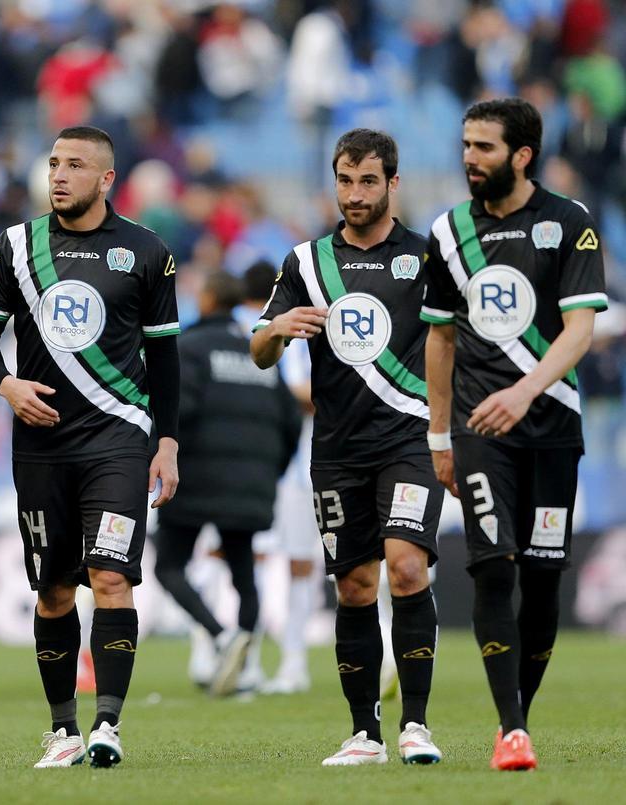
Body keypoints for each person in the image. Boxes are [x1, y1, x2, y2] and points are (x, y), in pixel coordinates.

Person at [0, 125, 181, 769]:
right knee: (55, 591)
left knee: (111, 578)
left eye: (75, 165)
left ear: (106, 178)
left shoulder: (145, 252)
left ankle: (107, 723)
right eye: (54, 163)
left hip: (118, 439)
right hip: (40, 447)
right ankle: (61, 729)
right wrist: (6, 385)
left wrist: (166, 442)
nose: (58, 175)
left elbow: (166, 361)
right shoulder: (15, 247)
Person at [421, 98, 608, 772]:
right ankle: (511, 729)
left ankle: (519, 713)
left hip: (552, 426)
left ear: (522, 155)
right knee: (492, 564)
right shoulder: (447, 232)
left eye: (485, 148)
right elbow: (440, 338)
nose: (470, 158)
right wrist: (439, 434)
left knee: (544, 575)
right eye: (466, 145)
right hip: (478, 432)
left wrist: (526, 390)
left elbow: (581, 328)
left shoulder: (568, 224)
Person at [251, 128, 443, 766]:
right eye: (344, 180)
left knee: (406, 566)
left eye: (367, 181)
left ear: (393, 183)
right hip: (336, 449)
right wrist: (277, 328)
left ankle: (416, 725)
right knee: (356, 586)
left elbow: (458, 344)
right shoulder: (306, 263)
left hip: (410, 439)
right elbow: (259, 352)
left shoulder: (425, 259)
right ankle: (366, 734)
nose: (354, 194)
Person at [153, 271, 301, 697]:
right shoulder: (260, 353)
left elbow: (178, 413)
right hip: (252, 482)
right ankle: (248, 662)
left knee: (169, 565)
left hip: (196, 480)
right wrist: (267, 472)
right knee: (243, 572)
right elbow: (291, 422)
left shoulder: (190, 348)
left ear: (207, 300)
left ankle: (220, 637)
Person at [235, 261, 320, 697]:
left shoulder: (302, 333)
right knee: (255, 560)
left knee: (297, 563)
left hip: (298, 467)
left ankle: (292, 661)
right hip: (267, 464)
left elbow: (299, 392)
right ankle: (249, 661)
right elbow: (293, 391)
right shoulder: (264, 330)